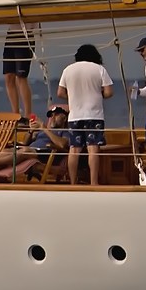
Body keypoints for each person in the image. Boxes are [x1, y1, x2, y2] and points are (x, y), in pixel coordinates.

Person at [56, 43, 116, 185]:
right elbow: (109, 92)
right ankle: (94, 183)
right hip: (94, 115)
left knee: (74, 150)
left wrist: (73, 97)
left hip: (75, 116)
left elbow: (60, 93)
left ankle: (72, 183)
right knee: (93, 149)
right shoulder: (99, 69)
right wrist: (98, 94)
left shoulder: (68, 70)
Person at [2, 21, 39, 123]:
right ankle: (15, 114)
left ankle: (28, 114)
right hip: (11, 34)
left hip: (25, 35)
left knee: (21, 77)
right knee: (9, 76)